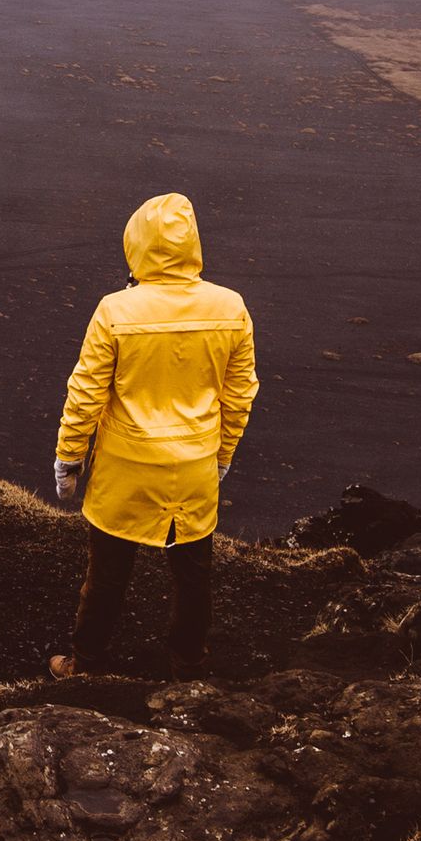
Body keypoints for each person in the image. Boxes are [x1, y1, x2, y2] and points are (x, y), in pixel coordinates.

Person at [49, 191, 258, 677]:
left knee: (106, 574)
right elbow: (239, 394)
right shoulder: (231, 307)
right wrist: (223, 454)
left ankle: (86, 663)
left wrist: (69, 458)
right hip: (194, 466)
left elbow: (86, 395)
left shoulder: (116, 310)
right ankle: (189, 661)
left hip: (127, 467)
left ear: (136, 243)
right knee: (193, 574)